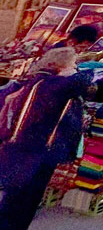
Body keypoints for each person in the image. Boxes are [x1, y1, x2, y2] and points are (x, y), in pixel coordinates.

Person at [0, 48, 92, 230]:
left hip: (19, 146)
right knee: (23, 200)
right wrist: (73, 72)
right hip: (36, 149)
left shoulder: (34, 81)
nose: (76, 68)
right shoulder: (54, 85)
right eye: (73, 63)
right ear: (61, 65)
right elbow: (85, 79)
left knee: (16, 197)